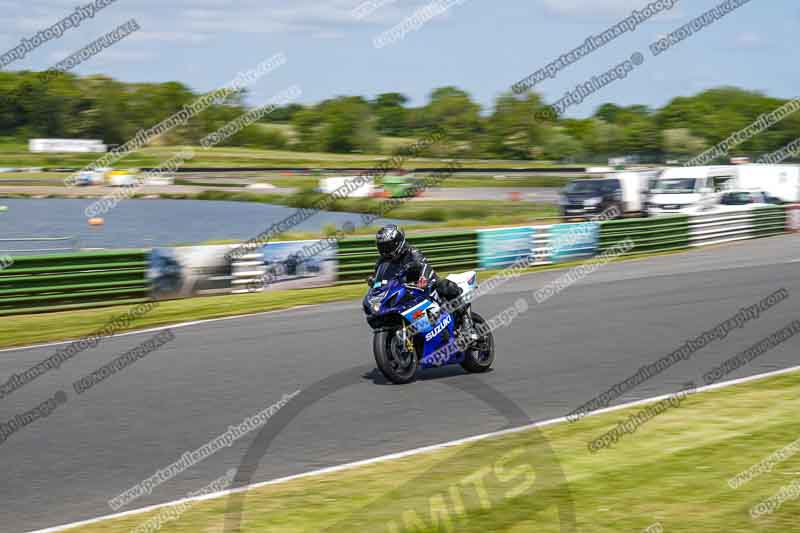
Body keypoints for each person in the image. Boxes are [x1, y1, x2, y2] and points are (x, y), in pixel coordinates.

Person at [369, 224, 467, 327]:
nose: (385, 250)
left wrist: (423, 277)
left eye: (388, 246)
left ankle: (464, 317)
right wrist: (374, 282)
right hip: (402, 291)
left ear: (398, 242)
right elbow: (379, 277)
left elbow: (423, 265)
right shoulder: (382, 262)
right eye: (382, 247)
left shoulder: (412, 253)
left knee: (445, 286)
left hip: (423, 285)